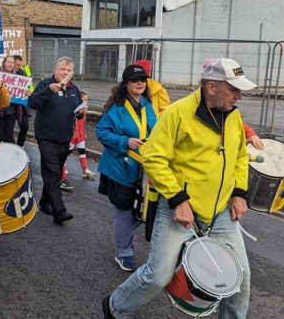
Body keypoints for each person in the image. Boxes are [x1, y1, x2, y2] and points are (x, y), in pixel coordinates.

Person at [102, 57, 255, 319]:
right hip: (178, 209)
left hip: (220, 213)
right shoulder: (178, 113)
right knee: (157, 277)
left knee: (240, 277)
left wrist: (239, 193)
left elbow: (240, 156)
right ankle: (114, 307)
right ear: (211, 87)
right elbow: (153, 157)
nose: (239, 96)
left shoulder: (234, 115)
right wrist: (177, 199)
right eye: (233, 89)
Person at [96, 65, 157, 272]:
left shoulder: (148, 104)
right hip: (120, 167)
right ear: (126, 84)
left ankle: (125, 240)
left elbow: (156, 131)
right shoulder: (117, 108)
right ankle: (123, 252)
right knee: (124, 212)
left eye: (143, 79)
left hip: (143, 167)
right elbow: (101, 132)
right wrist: (125, 142)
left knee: (143, 211)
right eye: (135, 80)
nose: (140, 83)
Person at [28, 56, 82, 224]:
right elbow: (33, 103)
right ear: (55, 70)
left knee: (55, 172)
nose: (65, 72)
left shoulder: (74, 89)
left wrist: (80, 112)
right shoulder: (45, 84)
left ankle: (45, 202)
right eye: (62, 69)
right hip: (46, 138)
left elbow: (78, 108)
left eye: (68, 70)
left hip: (64, 139)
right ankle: (60, 211)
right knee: (52, 173)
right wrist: (48, 91)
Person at [60, 91, 96, 191]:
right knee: (65, 154)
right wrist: (72, 137)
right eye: (84, 100)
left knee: (82, 151)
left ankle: (85, 169)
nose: (86, 102)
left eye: (87, 100)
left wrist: (82, 132)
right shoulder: (74, 110)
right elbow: (72, 123)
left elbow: (81, 123)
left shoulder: (83, 110)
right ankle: (62, 173)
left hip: (80, 135)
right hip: (72, 136)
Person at [0, 55, 20, 143]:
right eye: (8, 62)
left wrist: (25, 93)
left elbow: (22, 92)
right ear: (4, 63)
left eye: (12, 62)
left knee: (8, 134)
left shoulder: (18, 78)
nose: (10, 64)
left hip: (12, 110)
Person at [13, 55, 31, 147]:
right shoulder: (4, 73)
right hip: (10, 106)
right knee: (8, 128)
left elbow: (28, 86)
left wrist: (29, 93)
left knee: (25, 126)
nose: (19, 67)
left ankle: (20, 144)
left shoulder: (23, 73)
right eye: (17, 65)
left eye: (20, 65)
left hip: (21, 105)